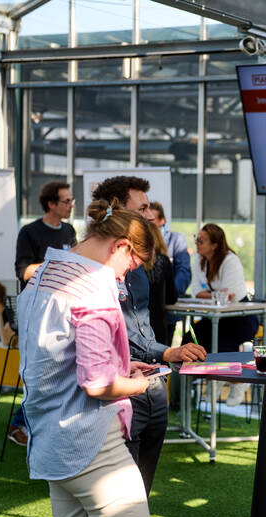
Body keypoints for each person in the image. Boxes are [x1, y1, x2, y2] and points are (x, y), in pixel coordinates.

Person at [17, 200, 157, 517]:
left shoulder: (45, 273)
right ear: (120, 246)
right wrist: (137, 384)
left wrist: (120, 369)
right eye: (131, 265)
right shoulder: (94, 288)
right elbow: (97, 384)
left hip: (51, 436)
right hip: (92, 443)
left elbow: (57, 355)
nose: (126, 276)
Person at [92, 175, 206, 496]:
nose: (150, 215)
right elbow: (116, 335)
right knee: (117, 496)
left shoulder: (139, 268)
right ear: (118, 210)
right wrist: (167, 352)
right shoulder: (94, 270)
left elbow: (141, 325)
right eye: (142, 209)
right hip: (119, 390)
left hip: (151, 380)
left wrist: (165, 354)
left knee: (141, 491)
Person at [9, 181, 78, 446]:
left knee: (61, 369)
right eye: (66, 201)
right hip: (37, 312)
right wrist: (57, 267)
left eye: (72, 200)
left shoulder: (70, 230)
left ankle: (46, 424)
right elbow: (23, 272)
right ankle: (19, 423)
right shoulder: (30, 232)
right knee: (42, 372)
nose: (71, 205)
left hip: (65, 310)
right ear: (51, 204)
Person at [187, 223, 257, 406]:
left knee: (223, 345)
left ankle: (237, 381)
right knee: (191, 338)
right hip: (216, 316)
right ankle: (211, 380)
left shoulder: (230, 259)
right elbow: (196, 291)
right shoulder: (199, 259)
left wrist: (213, 295)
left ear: (214, 245)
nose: (197, 243)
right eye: (196, 239)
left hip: (241, 317)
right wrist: (218, 295)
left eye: (201, 240)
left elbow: (230, 295)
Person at [148, 201, 191, 340]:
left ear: (162, 221)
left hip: (165, 310)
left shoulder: (176, 240)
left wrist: (167, 294)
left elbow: (183, 271)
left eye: (152, 221)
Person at [146, 223, 177, 345]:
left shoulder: (131, 262)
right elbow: (172, 298)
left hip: (135, 327)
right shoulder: (163, 261)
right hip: (157, 325)